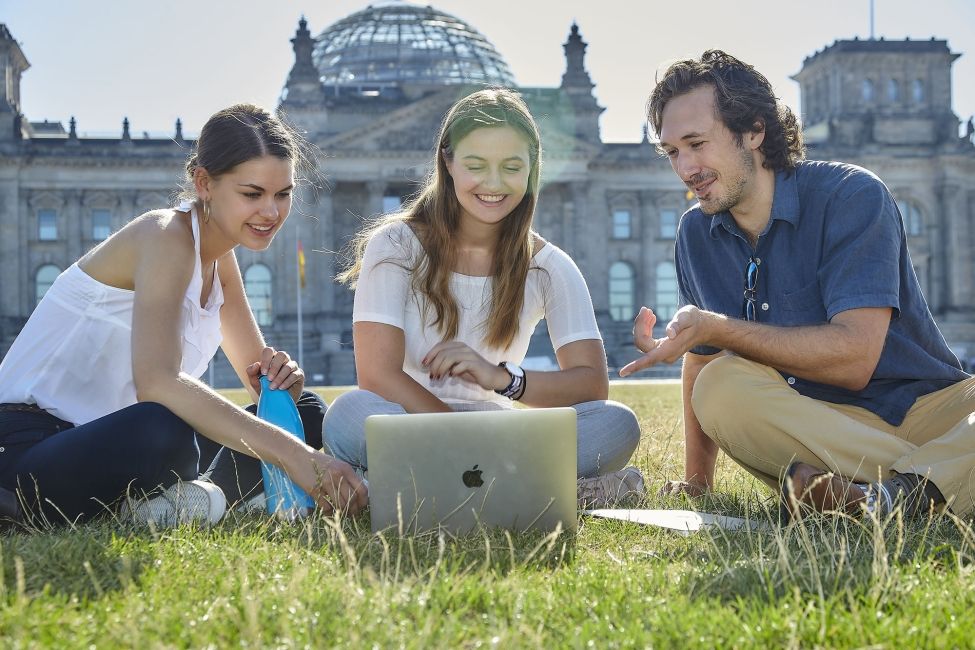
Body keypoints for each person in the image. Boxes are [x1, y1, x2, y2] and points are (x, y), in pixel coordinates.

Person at [622, 50, 974, 521]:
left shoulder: (851, 195)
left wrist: (717, 329)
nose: (686, 169)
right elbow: (700, 359)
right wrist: (697, 485)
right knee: (718, 386)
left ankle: (891, 494)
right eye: (672, 152)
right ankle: (934, 482)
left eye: (697, 143)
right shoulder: (695, 233)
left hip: (929, 407)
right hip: (817, 422)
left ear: (754, 131)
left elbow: (854, 359)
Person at [0, 104, 366, 528]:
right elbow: (156, 381)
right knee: (162, 427)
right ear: (204, 183)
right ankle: (186, 502)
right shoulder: (165, 237)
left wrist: (280, 380)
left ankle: (179, 504)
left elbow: (259, 387)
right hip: (29, 446)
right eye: (252, 194)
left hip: (114, 440)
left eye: (282, 194)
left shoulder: (221, 260)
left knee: (303, 410)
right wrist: (296, 456)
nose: (271, 212)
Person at [323, 88, 644, 507]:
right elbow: (377, 377)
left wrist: (502, 378)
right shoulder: (395, 245)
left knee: (617, 423)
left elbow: (591, 385)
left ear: (532, 169)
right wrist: (461, 437)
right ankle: (544, 491)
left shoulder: (549, 266)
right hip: (408, 423)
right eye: (476, 165)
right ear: (448, 162)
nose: (493, 184)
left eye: (511, 167)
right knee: (348, 415)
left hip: (495, 426)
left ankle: (427, 489)